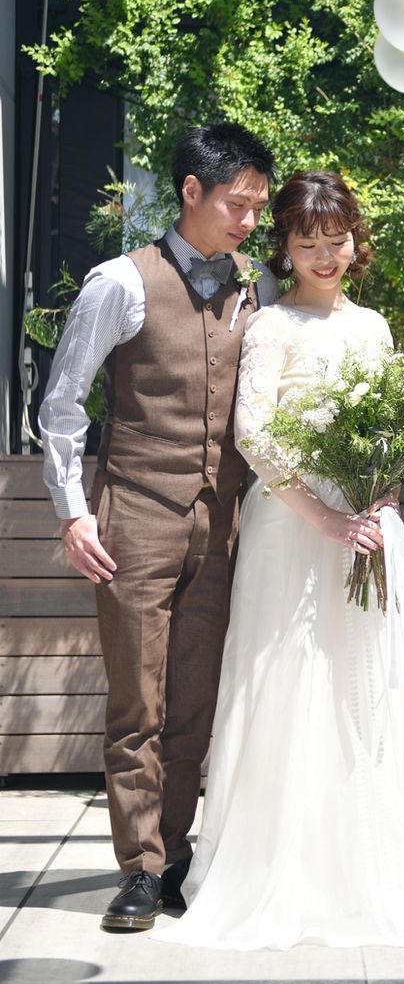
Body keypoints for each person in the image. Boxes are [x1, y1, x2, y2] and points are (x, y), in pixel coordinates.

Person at [153, 170, 404, 949]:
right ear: (285, 246)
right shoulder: (271, 326)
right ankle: (275, 871)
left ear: (355, 242)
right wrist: (324, 518)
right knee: (285, 680)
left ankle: (362, 871)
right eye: (307, 242)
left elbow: (390, 431)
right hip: (289, 530)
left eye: (335, 240)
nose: (323, 255)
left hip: (360, 526)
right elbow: (254, 435)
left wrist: (382, 504)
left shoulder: (374, 328)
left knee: (359, 688)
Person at [38, 122, 278, 931]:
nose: (249, 221)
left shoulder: (258, 287)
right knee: (137, 702)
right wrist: (73, 512)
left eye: (258, 207)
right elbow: (62, 404)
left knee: (194, 702)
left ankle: (174, 857)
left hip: (226, 521)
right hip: (135, 514)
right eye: (238, 204)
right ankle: (138, 870)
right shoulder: (120, 282)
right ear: (191, 192)